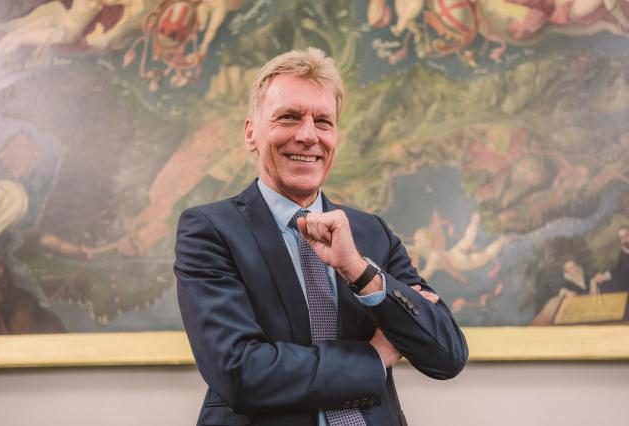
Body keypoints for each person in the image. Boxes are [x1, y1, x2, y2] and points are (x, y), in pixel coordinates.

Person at [174, 47, 468, 426]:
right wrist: (375, 356)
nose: (308, 135)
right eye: (289, 117)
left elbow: (447, 355)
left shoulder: (371, 233)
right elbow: (240, 372)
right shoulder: (209, 230)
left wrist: (361, 273)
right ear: (251, 132)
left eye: (323, 122)